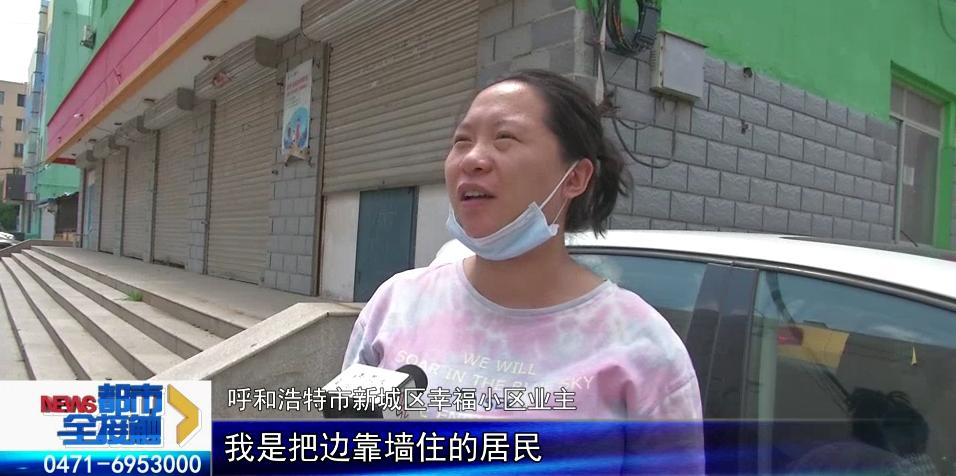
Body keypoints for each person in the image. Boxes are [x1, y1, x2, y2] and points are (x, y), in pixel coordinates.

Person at [341, 69, 703, 473]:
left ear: (575, 177)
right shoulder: (396, 304)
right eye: (462, 141)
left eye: (505, 138)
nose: (472, 159)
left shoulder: (642, 346)